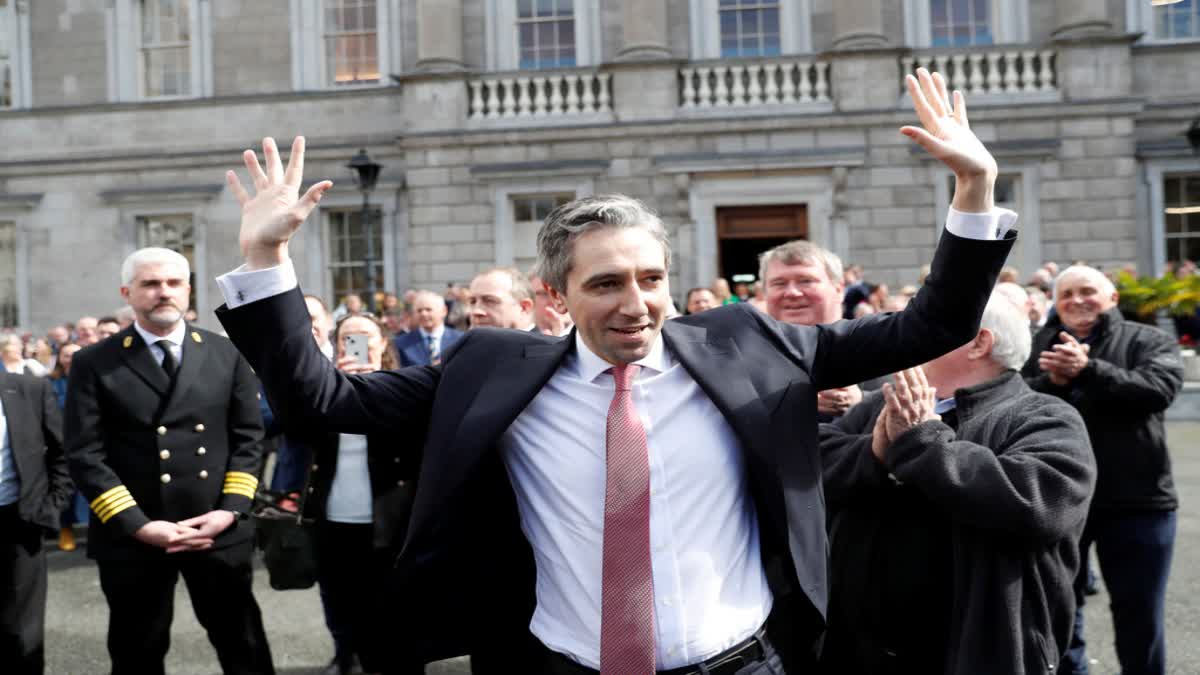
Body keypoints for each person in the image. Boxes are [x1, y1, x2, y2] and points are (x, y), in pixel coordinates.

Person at [217, 69, 1015, 673]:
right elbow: (318, 398)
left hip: (746, 661)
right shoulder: (492, 371)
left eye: (650, 278)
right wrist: (265, 257)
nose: (636, 302)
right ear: (554, 296)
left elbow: (934, 324)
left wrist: (975, 188)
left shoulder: (750, 345)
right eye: (605, 283)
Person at [819, 294, 1095, 674]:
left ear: (979, 342)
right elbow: (815, 464)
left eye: (925, 326)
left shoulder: (1046, 415)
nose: (905, 337)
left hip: (974, 649)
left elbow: (1038, 503)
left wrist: (922, 442)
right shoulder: (880, 405)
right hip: (863, 646)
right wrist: (875, 455)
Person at [64, 247, 274, 675]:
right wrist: (138, 525)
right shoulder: (94, 362)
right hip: (135, 534)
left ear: (188, 290)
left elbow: (249, 438)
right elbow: (85, 452)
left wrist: (230, 511)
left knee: (243, 645)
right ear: (128, 292)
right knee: (137, 650)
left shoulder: (225, 353)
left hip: (214, 528)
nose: (164, 292)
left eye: (174, 283)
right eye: (150, 284)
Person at [1022, 265, 1184, 675]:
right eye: (1067, 294)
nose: (1077, 300)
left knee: (1139, 617)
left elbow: (1157, 391)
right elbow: (1012, 402)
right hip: (1059, 504)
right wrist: (1053, 383)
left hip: (1139, 501)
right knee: (1060, 614)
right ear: (1055, 304)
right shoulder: (1033, 345)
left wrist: (1087, 371)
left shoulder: (1148, 339)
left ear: (1112, 298)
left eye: (1088, 291)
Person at [306, 313, 423, 675]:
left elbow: (416, 440)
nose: (355, 343)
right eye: (347, 338)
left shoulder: (405, 382)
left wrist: (374, 386)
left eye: (365, 336)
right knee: (339, 599)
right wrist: (334, 385)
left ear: (384, 343)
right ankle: (346, 657)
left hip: (390, 514)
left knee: (391, 603)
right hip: (332, 512)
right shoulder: (324, 385)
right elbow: (294, 430)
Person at [0, 361, 72, 674]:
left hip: (19, 520)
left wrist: (52, 506)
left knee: (21, 630)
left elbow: (63, 453)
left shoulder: (29, 388)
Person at [759, 239, 873, 418]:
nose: (792, 293)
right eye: (779, 283)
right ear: (764, 293)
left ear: (839, 289)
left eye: (805, 281)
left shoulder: (874, 343)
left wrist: (861, 402)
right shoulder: (746, 357)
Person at [49, 343, 87, 552]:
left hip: (89, 440)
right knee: (66, 488)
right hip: (62, 441)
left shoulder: (91, 376)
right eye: (66, 355)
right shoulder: (51, 382)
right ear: (59, 358)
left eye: (75, 354)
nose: (70, 358)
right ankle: (66, 529)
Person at [393, 290, 463, 366]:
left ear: (444, 311)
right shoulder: (402, 343)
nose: (423, 314)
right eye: (419, 310)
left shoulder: (460, 339)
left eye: (428, 309)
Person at [468, 268, 537, 331]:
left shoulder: (542, 344)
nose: (476, 311)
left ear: (524, 308)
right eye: (472, 302)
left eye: (489, 301)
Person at [528, 270, 573, 336]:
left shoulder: (588, 338)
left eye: (560, 292)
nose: (555, 300)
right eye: (544, 294)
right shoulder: (522, 340)